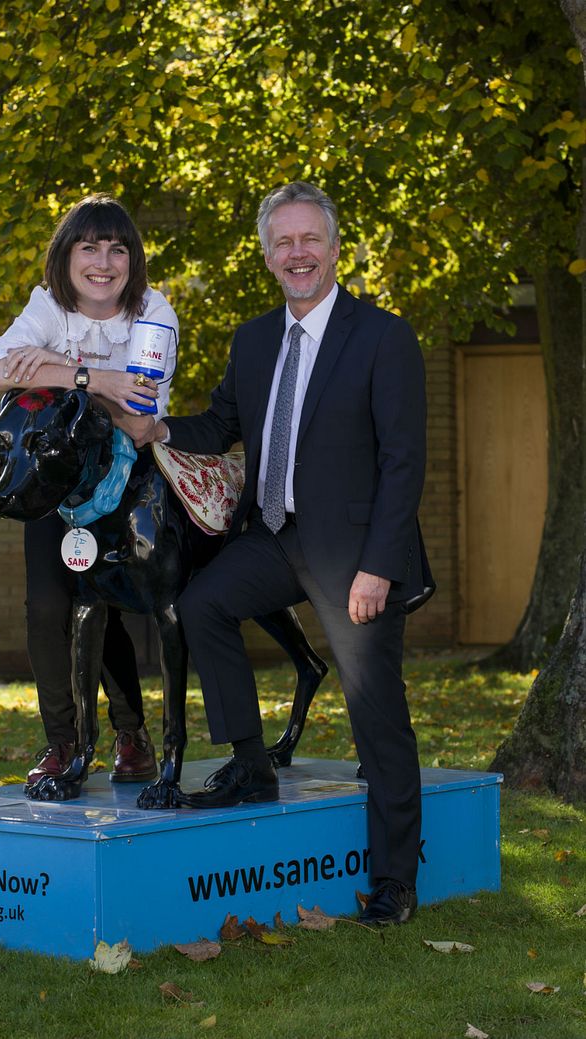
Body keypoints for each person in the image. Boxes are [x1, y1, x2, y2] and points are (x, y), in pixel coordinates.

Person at [135, 181, 430, 926]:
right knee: (202, 604)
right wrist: (160, 430)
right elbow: (223, 423)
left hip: (355, 554)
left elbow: (404, 461)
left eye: (310, 239)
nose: (297, 253)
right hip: (275, 536)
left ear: (335, 247)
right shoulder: (255, 339)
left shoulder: (383, 337)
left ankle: (394, 882)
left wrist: (380, 567)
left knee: (377, 716)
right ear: (268, 256)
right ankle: (252, 760)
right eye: (283, 242)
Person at [0, 193, 178, 792]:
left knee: (102, 605)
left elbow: (139, 414)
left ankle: (129, 736)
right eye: (88, 247)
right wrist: (94, 376)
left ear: (133, 260)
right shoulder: (48, 304)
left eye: (117, 249)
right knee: (46, 607)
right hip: (56, 478)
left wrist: (49, 365)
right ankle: (62, 742)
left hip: (122, 483)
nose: (103, 261)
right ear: (65, 256)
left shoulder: (154, 313)